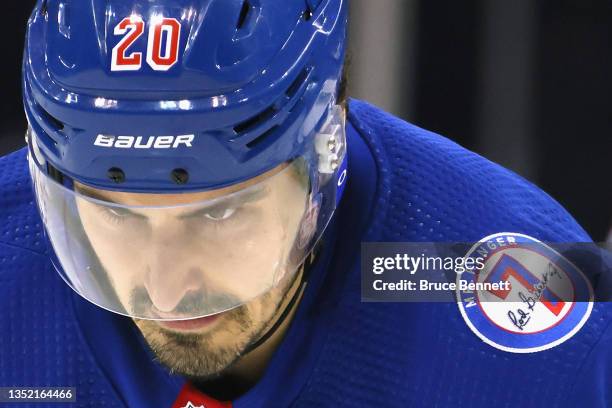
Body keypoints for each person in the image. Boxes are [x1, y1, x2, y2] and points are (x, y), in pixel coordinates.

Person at [0, 1, 610, 407]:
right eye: (115, 213)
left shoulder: (519, 314)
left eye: (218, 213)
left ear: (325, 157)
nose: (164, 291)